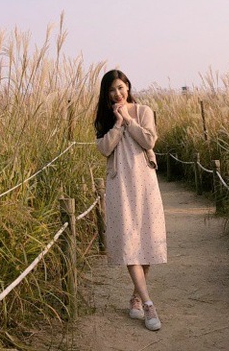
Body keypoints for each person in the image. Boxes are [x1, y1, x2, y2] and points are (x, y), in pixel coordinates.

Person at [94, 69, 167, 331]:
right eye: (112, 90)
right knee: (129, 241)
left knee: (145, 240)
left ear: (128, 87)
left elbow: (149, 140)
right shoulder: (104, 119)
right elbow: (104, 149)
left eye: (121, 88)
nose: (117, 93)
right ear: (106, 93)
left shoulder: (144, 111)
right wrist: (117, 124)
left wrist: (128, 119)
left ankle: (135, 297)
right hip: (119, 184)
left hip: (145, 182)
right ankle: (148, 303)